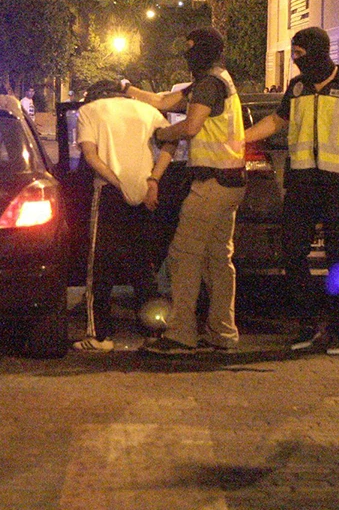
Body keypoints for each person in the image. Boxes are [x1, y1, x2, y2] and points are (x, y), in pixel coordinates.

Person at [245, 26, 339, 355]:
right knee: (293, 250)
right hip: (301, 181)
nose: (296, 62)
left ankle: (337, 330)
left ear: (319, 53)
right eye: (293, 55)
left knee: (338, 255)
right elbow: (276, 122)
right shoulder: (297, 88)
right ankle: (308, 322)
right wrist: (239, 139)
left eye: (300, 55)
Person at [124, 28, 247, 354]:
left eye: (193, 51)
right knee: (219, 260)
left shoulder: (209, 85)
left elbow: (190, 127)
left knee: (182, 257)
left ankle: (180, 334)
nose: (189, 57)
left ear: (206, 52)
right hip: (231, 182)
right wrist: (128, 89)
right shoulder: (219, 79)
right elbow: (164, 101)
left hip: (212, 184)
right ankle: (223, 333)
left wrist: (164, 132)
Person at [72, 79, 175, 352]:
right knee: (143, 266)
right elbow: (170, 143)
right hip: (146, 193)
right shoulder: (148, 111)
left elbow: (91, 156)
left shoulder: (89, 111)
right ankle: (153, 333)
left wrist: (118, 183)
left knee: (100, 266)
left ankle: (99, 336)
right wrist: (154, 178)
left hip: (108, 191)